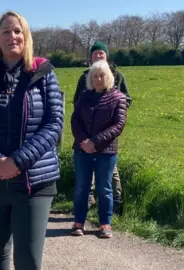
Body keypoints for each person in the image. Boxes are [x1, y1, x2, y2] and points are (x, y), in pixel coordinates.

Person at [0, 11, 64, 270]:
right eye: (5, 31)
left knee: (28, 258)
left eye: (17, 31)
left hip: (34, 181)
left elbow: (54, 124)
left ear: (26, 37)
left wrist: (17, 161)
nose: (12, 36)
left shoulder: (43, 73)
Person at [71, 60, 128, 238]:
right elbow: (75, 121)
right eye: (95, 75)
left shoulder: (118, 98)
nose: (98, 78)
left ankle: (105, 224)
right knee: (82, 187)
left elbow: (118, 125)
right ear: (90, 78)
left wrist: (94, 141)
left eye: (102, 75)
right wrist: (84, 141)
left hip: (106, 151)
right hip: (82, 150)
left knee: (104, 188)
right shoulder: (84, 96)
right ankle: (78, 222)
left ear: (109, 77)